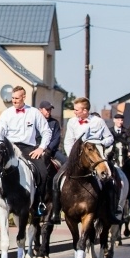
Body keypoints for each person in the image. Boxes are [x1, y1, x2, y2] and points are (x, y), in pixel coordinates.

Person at [0, 86, 52, 217]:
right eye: (12, 98)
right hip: (10, 149)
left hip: (28, 149)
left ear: (24, 97)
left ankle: (38, 204)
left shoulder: (34, 112)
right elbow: (0, 134)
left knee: (43, 172)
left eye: (17, 98)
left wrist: (41, 148)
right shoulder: (6, 114)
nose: (14, 101)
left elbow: (46, 132)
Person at [50, 96, 122, 225]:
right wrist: (71, 157)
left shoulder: (98, 122)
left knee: (109, 180)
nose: (74, 112)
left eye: (77, 110)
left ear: (85, 111)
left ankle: (110, 211)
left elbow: (109, 138)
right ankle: (55, 212)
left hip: (95, 157)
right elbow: (68, 141)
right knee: (56, 179)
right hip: (76, 158)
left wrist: (99, 143)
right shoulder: (72, 122)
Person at [110, 113, 130, 215]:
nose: (120, 122)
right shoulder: (110, 131)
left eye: (122, 120)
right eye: (118, 120)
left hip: (124, 157)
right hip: (112, 156)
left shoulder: (126, 131)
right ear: (114, 120)